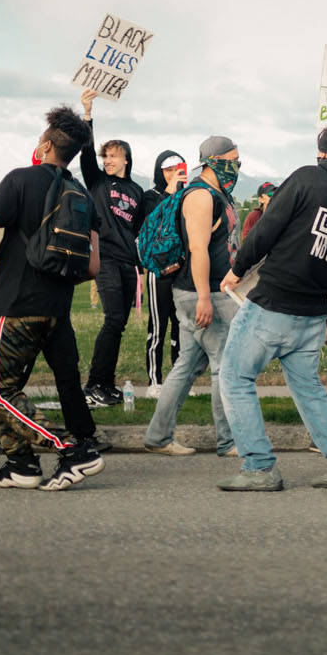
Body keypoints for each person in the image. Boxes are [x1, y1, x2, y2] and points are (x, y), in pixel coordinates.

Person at [215, 124, 327, 491]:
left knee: (234, 378)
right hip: (313, 311)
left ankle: (259, 467)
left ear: (321, 153)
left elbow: (266, 229)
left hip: (273, 301)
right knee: (309, 390)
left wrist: (237, 269)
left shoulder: (307, 178)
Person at [0, 104, 105, 491]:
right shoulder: (81, 195)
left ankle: (74, 450)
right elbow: (92, 268)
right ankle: (21, 464)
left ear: (45, 145)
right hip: (56, 309)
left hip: (16, 305)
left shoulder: (19, 180)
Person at [141, 134, 242, 459]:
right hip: (204, 292)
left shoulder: (216, 193)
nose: (237, 167)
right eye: (233, 160)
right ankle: (228, 441)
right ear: (215, 161)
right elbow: (198, 248)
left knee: (186, 366)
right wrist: (203, 298)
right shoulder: (200, 196)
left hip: (205, 290)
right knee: (223, 368)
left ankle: (158, 436)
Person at [77, 88, 148, 409]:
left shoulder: (137, 191)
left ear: (126, 159)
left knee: (117, 324)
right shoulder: (97, 183)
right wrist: (88, 114)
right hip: (103, 259)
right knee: (113, 319)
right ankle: (94, 384)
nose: (107, 160)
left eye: (113, 155)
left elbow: (141, 232)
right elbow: (86, 154)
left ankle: (104, 384)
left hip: (128, 263)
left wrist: (143, 270)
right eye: (105, 155)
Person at [141, 149, 188, 388]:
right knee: (158, 327)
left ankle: (177, 383)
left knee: (180, 327)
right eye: (168, 170)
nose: (173, 174)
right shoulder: (151, 196)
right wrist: (169, 192)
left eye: (177, 170)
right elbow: (151, 224)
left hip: (180, 268)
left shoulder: (186, 196)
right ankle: (154, 381)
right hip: (158, 271)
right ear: (160, 172)